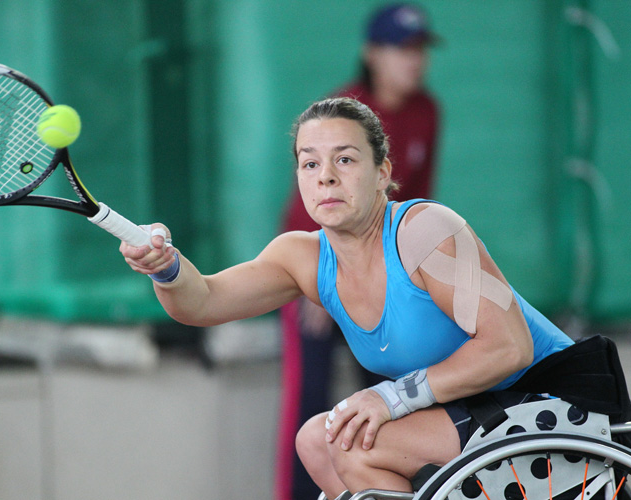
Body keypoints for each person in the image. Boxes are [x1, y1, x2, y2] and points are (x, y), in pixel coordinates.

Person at [119, 97, 583, 499]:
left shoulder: (424, 231)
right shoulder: (301, 257)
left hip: (559, 406)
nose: (326, 178)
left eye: (345, 160)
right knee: (316, 441)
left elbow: (510, 348)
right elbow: (202, 302)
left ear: (382, 173)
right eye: (310, 162)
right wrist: (167, 268)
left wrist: (391, 398)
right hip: (474, 415)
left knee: (351, 443)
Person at [278, 4, 440, 497]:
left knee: (389, 396)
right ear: (372, 54)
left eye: (419, 50)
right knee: (310, 400)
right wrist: (318, 287)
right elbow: (319, 203)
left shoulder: (427, 111)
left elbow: (416, 205)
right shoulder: (344, 111)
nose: (412, 60)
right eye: (400, 49)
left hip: (383, 275)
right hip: (323, 272)